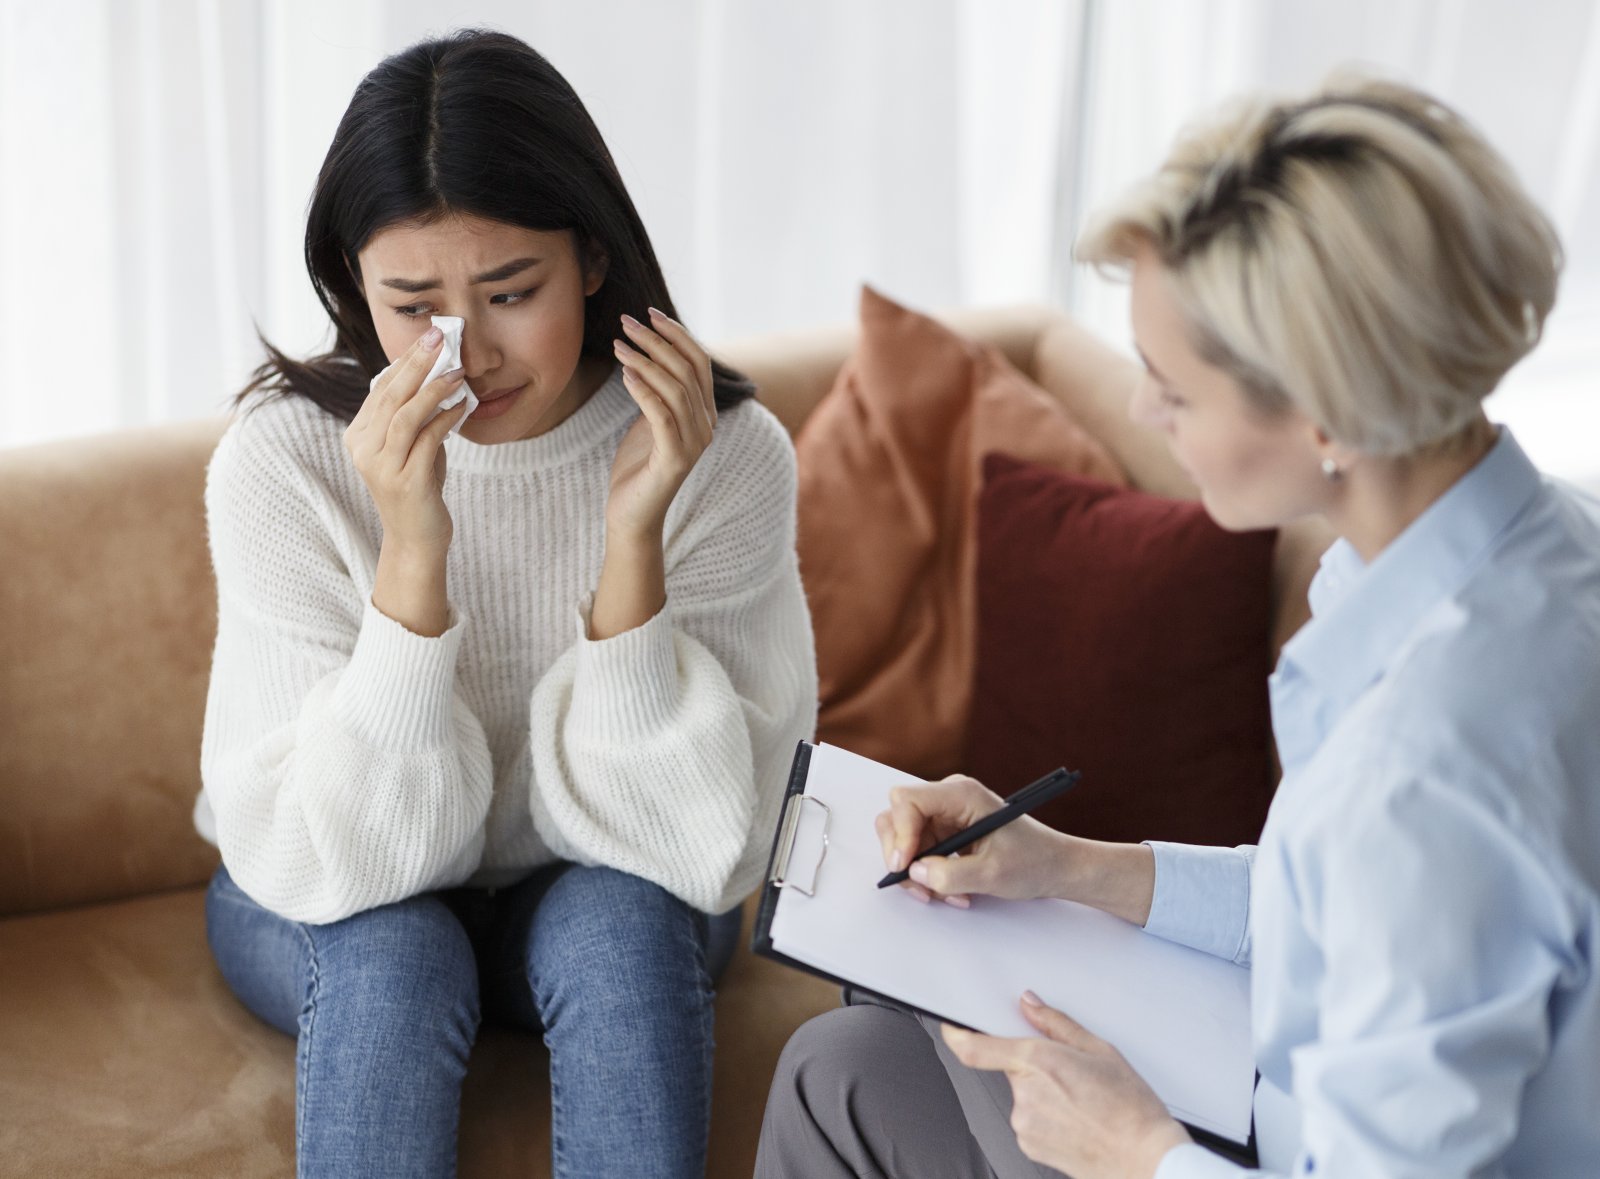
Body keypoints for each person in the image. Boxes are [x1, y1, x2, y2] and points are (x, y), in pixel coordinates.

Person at [756, 73, 1599, 1178]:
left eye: (1173, 389)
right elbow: (1339, 904)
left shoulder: (1419, 770)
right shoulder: (1549, 547)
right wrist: (1061, 864)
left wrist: (1136, 1151)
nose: (1147, 414)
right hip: (1281, 1104)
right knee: (847, 1068)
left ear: (1326, 412)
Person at [196, 29, 816, 1179]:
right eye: (411, 303)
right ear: (352, 285)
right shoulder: (283, 462)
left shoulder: (724, 458)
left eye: (510, 291)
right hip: (325, 883)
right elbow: (317, 853)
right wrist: (412, 557)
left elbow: (704, 847)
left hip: (604, 888)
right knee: (395, 956)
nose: (465, 351)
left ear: (589, 257)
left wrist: (633, 546)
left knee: (625, 929)